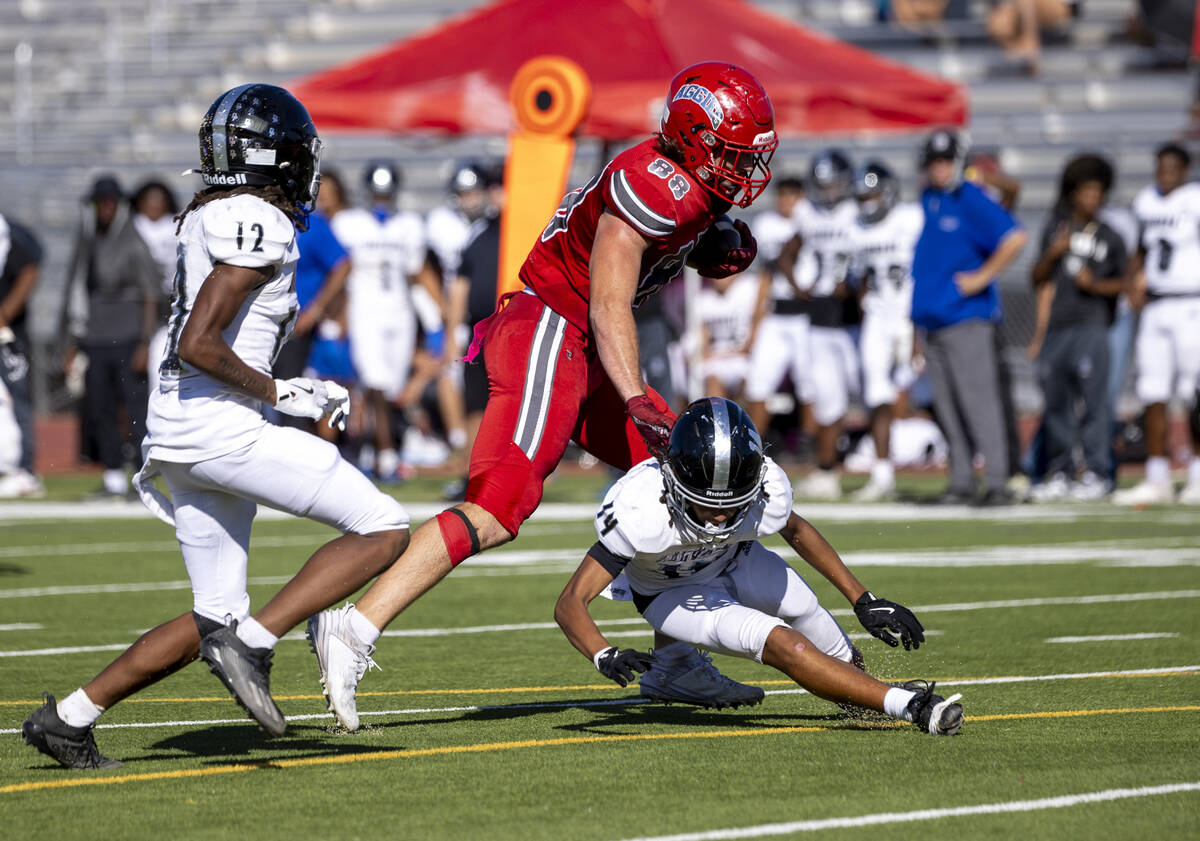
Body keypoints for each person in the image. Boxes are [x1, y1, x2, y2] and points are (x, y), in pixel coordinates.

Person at [304, 61, 779, 731]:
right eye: (733, 152)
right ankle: (353, 627)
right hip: (551, 330)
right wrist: (637, 396)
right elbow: (609, 299)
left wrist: (700, 244)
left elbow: (646, 263)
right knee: (500, 505)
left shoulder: (690, 190)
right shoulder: (655, 183)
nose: (744, 167)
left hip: (578, 341)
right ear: (696, 140)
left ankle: (675, 659)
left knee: (688, 478)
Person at [21, 84, 411, 769]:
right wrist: (280, 392)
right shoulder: (257, 221)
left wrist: (288, 388)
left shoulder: (214, 213)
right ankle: (257, 645)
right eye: (293, 154)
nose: (302, 168)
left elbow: (217, 337)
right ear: (268, 159)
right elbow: (199, 341)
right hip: (219, 427)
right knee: (384, 527)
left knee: (212, 615)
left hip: (181, 430)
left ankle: (69, 717)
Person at [554, 397, 963, 735]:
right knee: (780, 641)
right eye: (706, 504)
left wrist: (862, 598)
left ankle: (867, 698)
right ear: (673, 481)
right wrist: (602, 653)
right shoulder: (641, 507)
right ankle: (911, 706)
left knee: (811, 616)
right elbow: (571, 601)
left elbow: (796, 529)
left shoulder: (765, 488)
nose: (718, 518)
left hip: (734, 559)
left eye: (731, 506)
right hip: (672, 593)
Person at [911, 128, 1028, 505]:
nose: (940, 169)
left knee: (980, 403)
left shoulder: (971, 198)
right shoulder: (929, 198)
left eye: (946, 161)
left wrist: (983, 276)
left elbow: (1015, 237)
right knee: (948, 408)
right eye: (935, 162)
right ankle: (961, 480)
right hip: (934, 320)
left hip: (967, 320)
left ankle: (998, 480)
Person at [1027, 154, 1127, 501]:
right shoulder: (1057, 229)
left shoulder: (1111, 236)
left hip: (1092, 325)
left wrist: (1095, 286)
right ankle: (1060, 471)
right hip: (1058, 326)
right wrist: (1053, 254)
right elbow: (1036, 279)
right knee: (1056, 403)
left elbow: (1125, 282)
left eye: (1097, 192)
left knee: (1094, 402)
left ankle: (1098, 471)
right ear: (1073, 193)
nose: (1092, 199)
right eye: (1086, 191)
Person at [62, 174, 163, 497]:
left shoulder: (132, 241)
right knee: (101, 407)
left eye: (110, 202)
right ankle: (112, 475)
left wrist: (145, 342)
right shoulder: (89, 240)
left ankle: (140, 473)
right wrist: (72, 341)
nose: (104, 208)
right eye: (99, 202)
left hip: (128, 334)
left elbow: (150, 294)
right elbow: (75, 291)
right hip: (96, 336)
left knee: (134, 408)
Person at [331, 159, 428, 482]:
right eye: (377, 194)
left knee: (391, 386)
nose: (381, 200)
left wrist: (434, 320)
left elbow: (416, 274)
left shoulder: (410, 225)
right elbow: (338, 272)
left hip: (399, 310)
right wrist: (339, 313)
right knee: (373, 379)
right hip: (365, 308)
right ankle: (387, 455)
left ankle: (374, 447)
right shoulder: (349, 223)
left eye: (386, 194)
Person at [1114, 143, 1200, 506]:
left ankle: (1197, 474)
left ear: (1184, 170)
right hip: (1156, 305)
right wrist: (1132, 280)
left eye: (1171, 169)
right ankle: (1158, 476)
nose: (1164, 176)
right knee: (1153, 392)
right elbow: (1141, 249)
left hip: (1191, 302)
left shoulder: (1195, 199)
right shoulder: (1146, 201)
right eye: (1159, 168)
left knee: (1194, 392)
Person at [780, 149, 861, 500]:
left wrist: (857, 286)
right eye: (823, 185)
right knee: (828, 396)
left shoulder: (857, 210)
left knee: (874, 390)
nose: (829, 192)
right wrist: (799, 285)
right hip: (820, 314)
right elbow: (786, 252)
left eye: (835, 184)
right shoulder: (807, 213)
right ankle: (827, 469)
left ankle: (883, 469)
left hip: (856, 315)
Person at [847, 161, 924, 501]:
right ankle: (883, 473)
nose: (869, 202)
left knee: (931, 392)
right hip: (878, 319)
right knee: (877, 394)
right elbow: (858, 276)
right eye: (864, 195)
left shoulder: (911, 219)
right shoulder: (855, 226)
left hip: (913, 316)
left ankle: (972, 463)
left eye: (874, 194)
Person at [744, 175, 813, 450]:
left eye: (792, 195)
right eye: (783, 195)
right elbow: (765, 277)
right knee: (759, 381)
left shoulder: (813, 220)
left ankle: (811, 444)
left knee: (810, 383)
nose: (787, 201)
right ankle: (752, 445)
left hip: (807, 314)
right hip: (777, 313)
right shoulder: (766, 225)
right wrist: (755, 324)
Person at [0, 211, 44, 497]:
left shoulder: (9, 235)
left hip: (8, 336)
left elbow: (30, 271)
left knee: (16, 398)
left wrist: (3, 315)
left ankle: (24, 469)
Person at [130, 179, 180, 396]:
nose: (154, 206)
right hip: (136, 302)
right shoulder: (133, 226)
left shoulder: (176, 226)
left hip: (169, 299)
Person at [695, 269, 759, 400]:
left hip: (745, 359)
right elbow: (703, 345)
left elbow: (766, 279)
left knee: (754, 384)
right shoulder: (703, 299)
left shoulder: (749, 288)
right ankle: (720, 419)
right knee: (713, 382)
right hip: (717, 361)